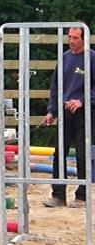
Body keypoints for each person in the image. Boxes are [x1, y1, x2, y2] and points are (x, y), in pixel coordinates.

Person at [42, 25, 95, 208]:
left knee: (82, 154)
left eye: (75, 38)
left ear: (83, 39)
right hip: (65, 112)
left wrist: (82, 100)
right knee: (59, 153)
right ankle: (58, 195)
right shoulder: (64, 58)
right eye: (70, 37)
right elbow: (56, 87)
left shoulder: (92, 58)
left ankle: (82, 196)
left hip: (85, 114)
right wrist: (51, 111)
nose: (71, 41)